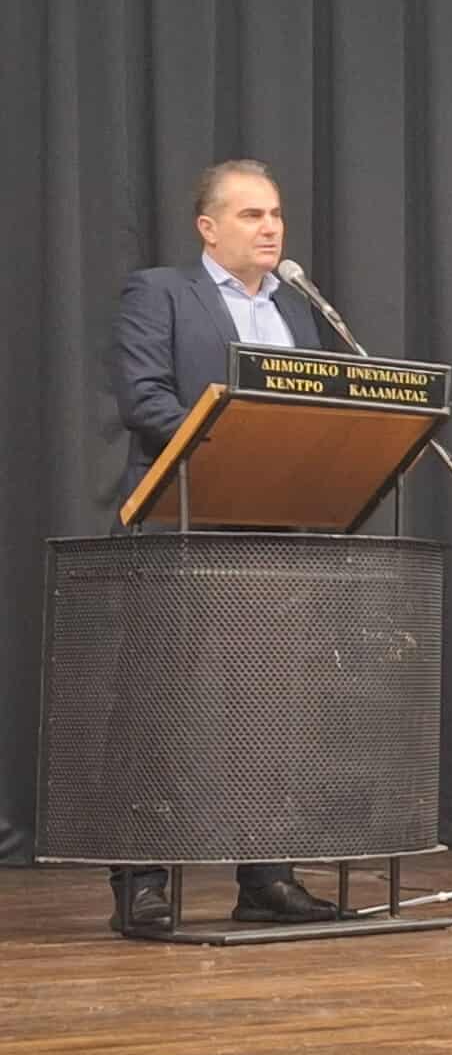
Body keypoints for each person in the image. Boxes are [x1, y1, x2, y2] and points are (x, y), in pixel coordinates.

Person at [107, 159, 340, 930]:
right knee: (159, 705)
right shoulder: (161, 293)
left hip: (274, 531)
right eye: (250, 215)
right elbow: (146, 400)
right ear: (208, 228)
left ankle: (265, 879)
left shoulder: (298, 307)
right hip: (179, 522)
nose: (270, 228)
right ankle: (142, 881)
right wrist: (238, 454)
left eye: (275, 214)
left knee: (268, 707)